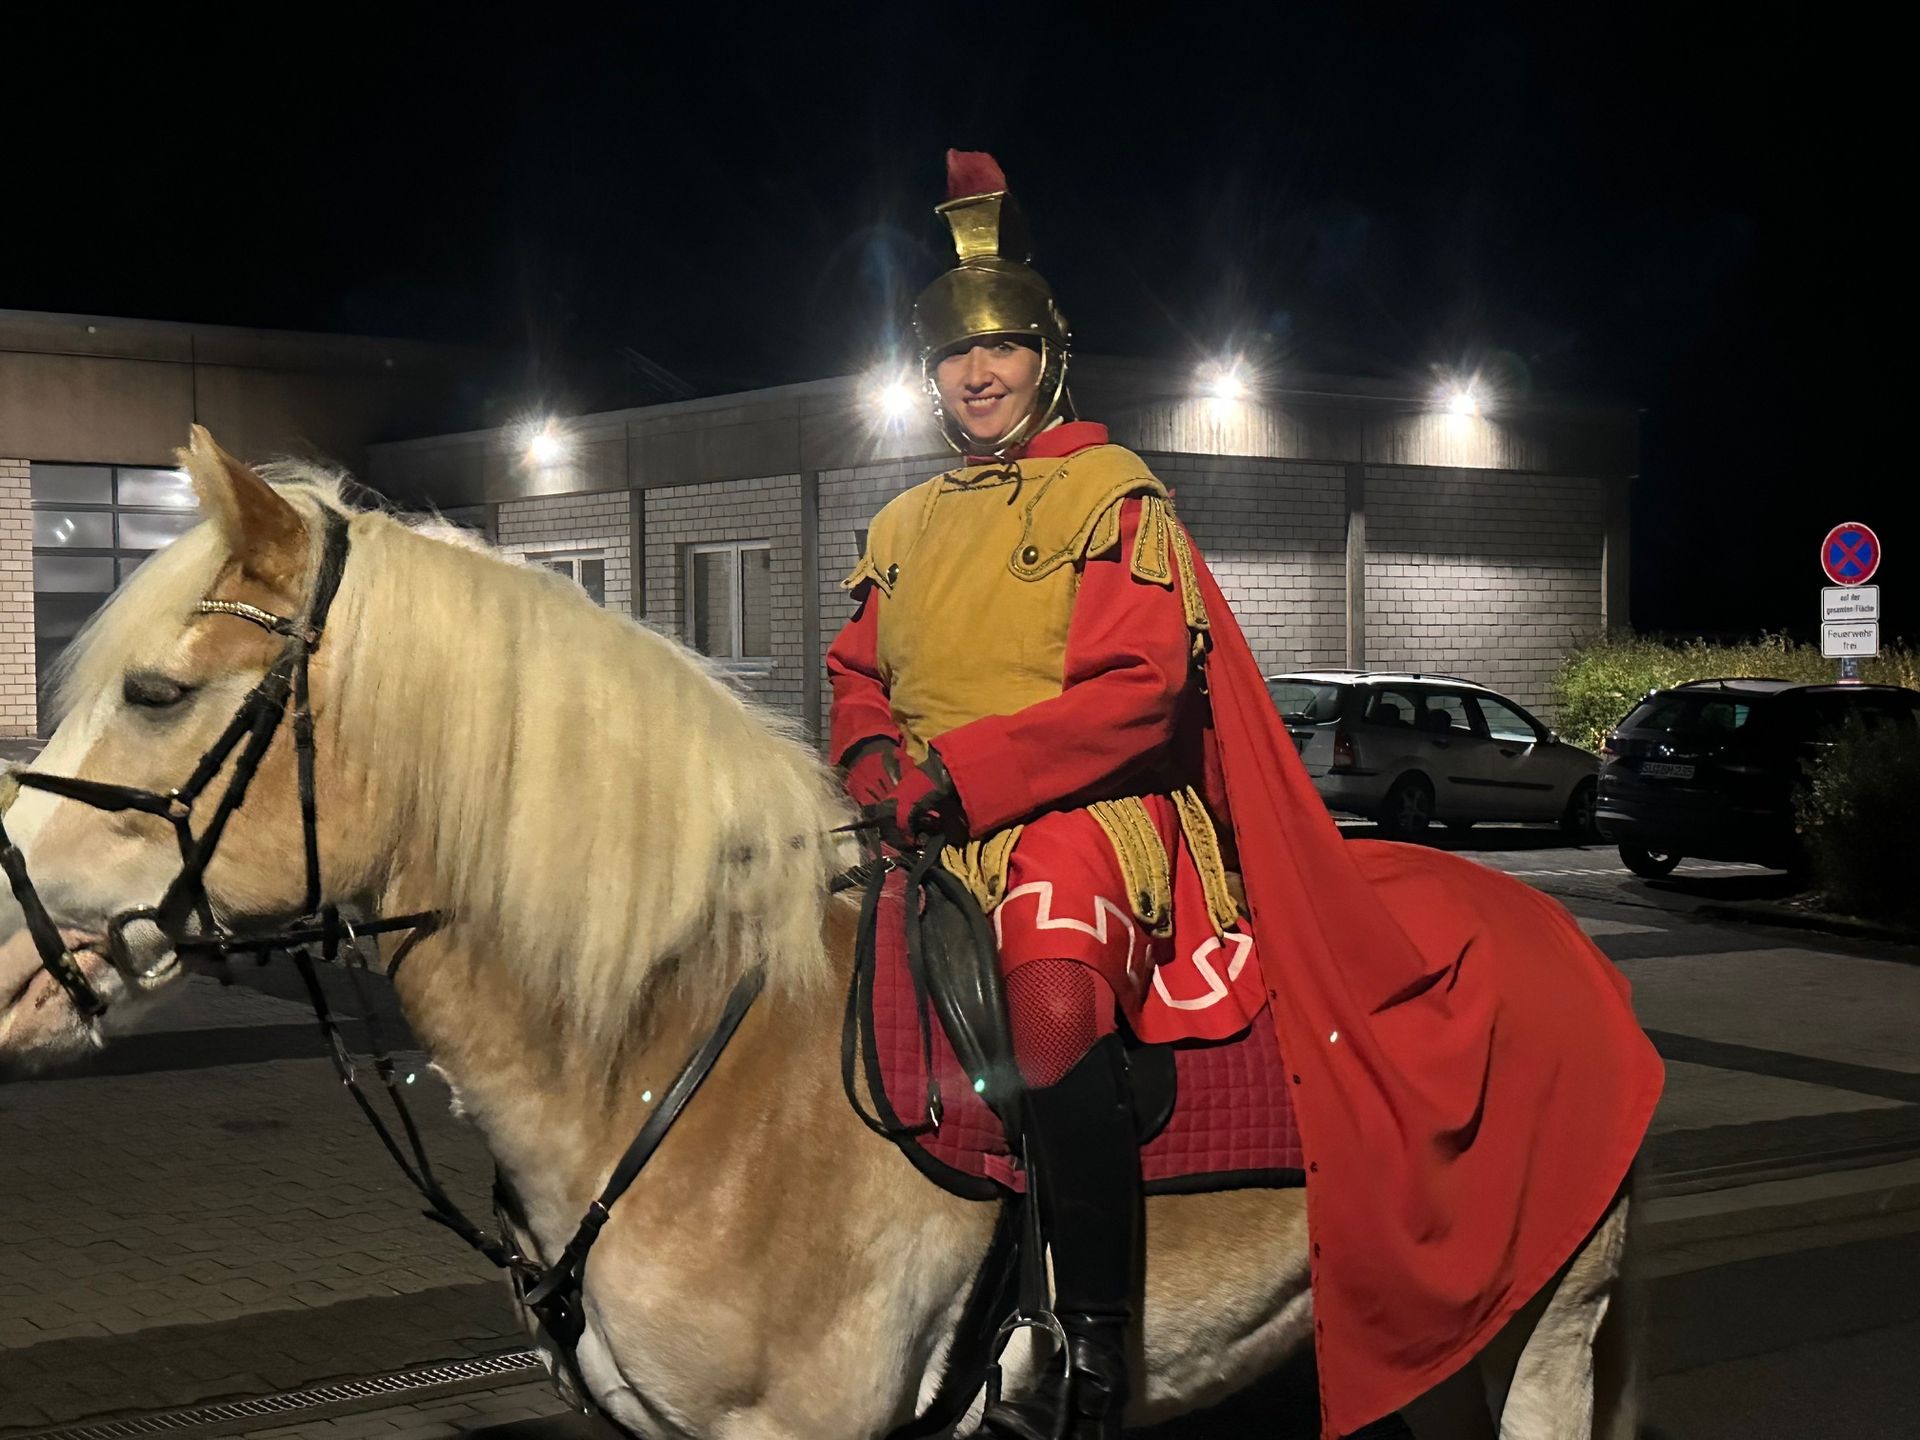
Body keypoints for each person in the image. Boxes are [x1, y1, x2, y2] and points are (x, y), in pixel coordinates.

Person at [829, 152, 1662, 1440]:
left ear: (1047, 358)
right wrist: (875, 759)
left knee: (1051, 992)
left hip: (1084, 823)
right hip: (935, 827)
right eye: (953, 357)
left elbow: (1138, 691)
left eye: (1000, 349)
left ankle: (1084, 1339)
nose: (976, 373)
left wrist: (966, 774)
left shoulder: (1113, 496)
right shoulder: (902, 525)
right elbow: (856, 673)